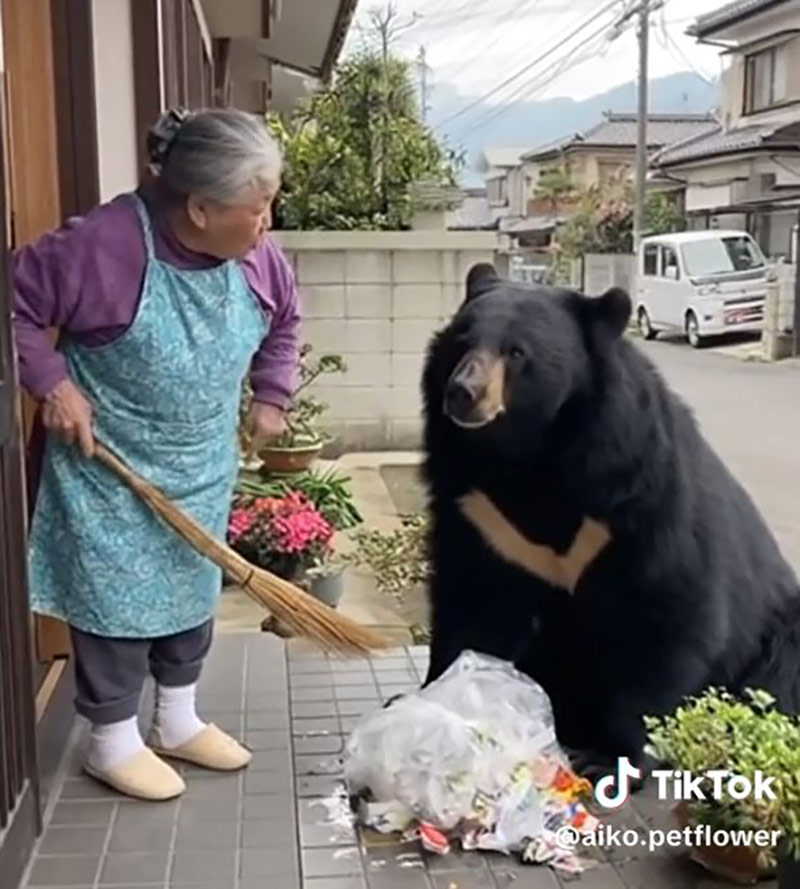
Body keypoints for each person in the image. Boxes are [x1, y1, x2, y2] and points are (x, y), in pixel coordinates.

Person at [12, 107, 301, 801]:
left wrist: (272, 393)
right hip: (110, 465)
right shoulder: (103, 245)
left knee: (191, 584)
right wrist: (51, 383)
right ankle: (111, 741)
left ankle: (177, 718)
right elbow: (12, 302)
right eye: (257, 207)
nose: (267, 222)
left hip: (199, 461)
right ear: (200, 208)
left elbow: (286, 318)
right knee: (114, 600)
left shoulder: (258, 256)